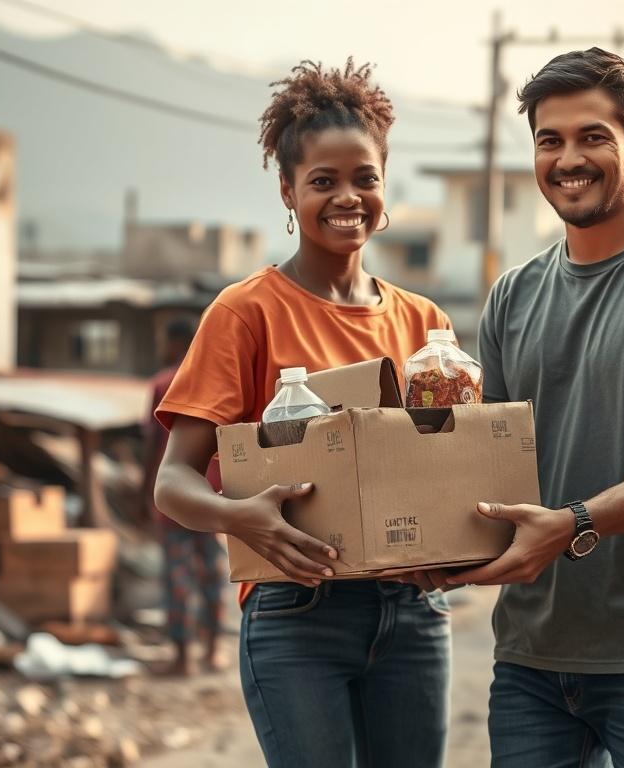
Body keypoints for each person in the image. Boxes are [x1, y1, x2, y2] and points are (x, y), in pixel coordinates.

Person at [412, 47, 624, 767]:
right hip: (533, 654)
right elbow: (493, 465)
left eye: (593, 136)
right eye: (550, 140)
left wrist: (574, 523)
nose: (569, 158)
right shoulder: (512, 295)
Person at [153, 59, 453, 768]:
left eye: (365, 178)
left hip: (412, 617)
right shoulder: (245, 313)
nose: (347, 197)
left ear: (385, 185)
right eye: (323, 181)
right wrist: (241, 515)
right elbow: (175, 483)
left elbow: (445, 468)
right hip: (297, 615)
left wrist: (453, 544)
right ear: (288, 189)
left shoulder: (425, 324)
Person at [142, 317, 228, 676]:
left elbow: (151, 446)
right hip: (215, 494)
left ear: (177, 343)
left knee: (178, 576)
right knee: (212, 572)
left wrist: (143, 491)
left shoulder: (164, 382)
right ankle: (213, 650)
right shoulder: (218, 379)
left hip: (176, 497)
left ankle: (183, 658)